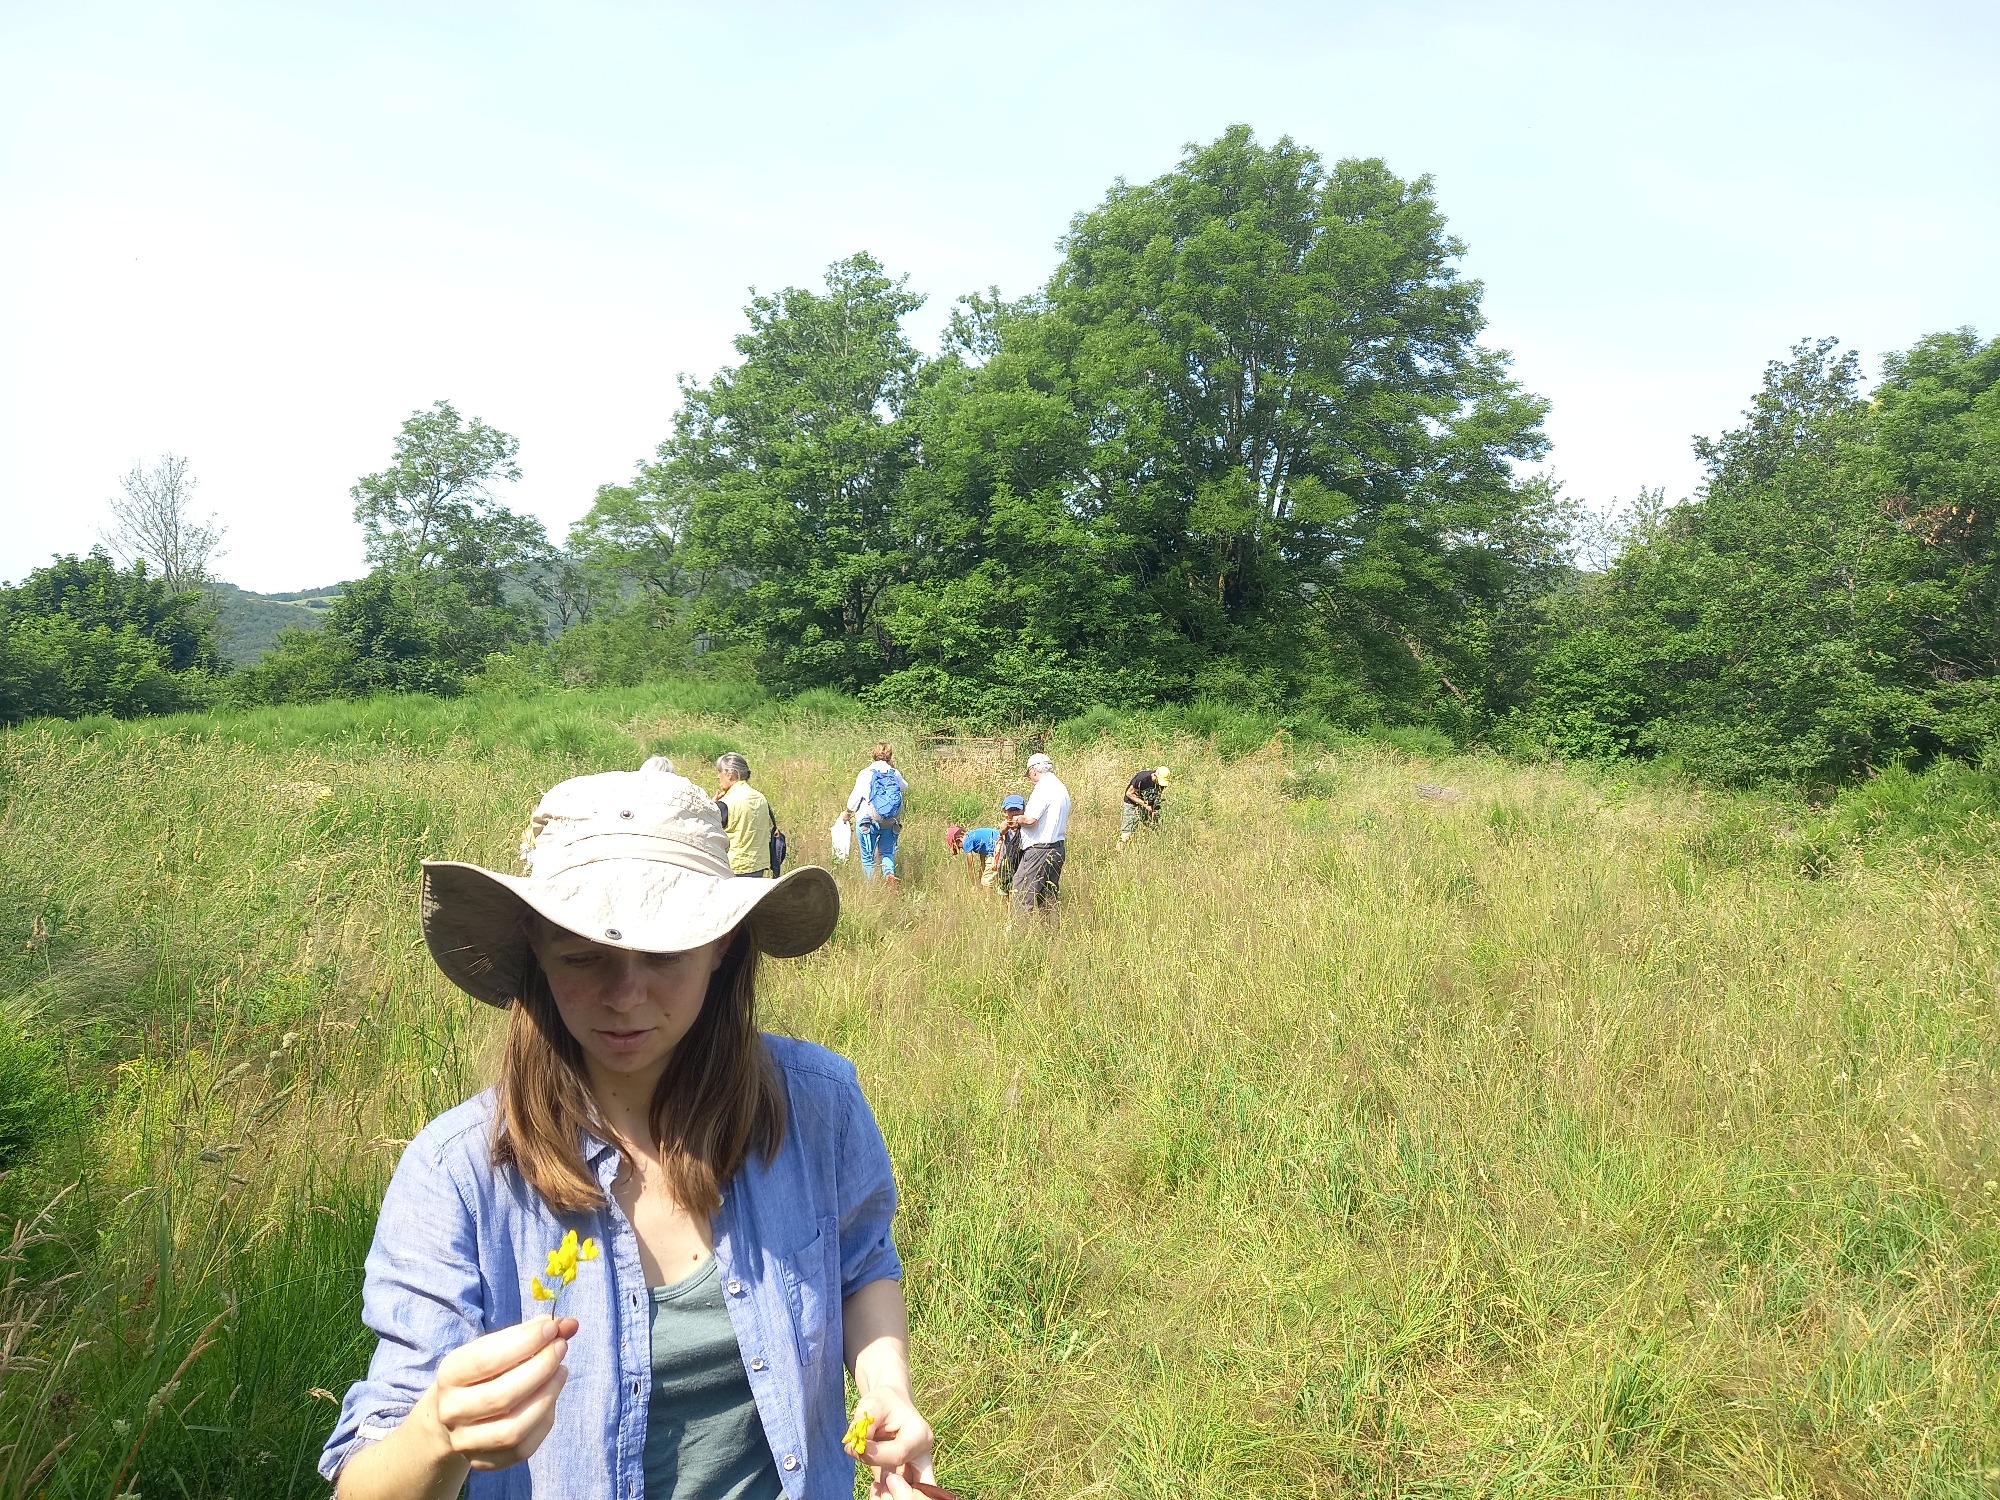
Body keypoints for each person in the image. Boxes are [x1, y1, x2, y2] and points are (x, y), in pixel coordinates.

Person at [319, 761, 939, 1500]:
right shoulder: (456, 1175)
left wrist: (886, 1388)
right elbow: (366, 1480)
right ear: (535, 949)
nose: (624, 995)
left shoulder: (816, 1104)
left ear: (723, 945)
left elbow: (862, 1268)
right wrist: (438, 1434)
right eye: (583, 956)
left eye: (665, 954)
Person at [1006, 753, 1071, 915]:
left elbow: (1030, 820)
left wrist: (1017, 819)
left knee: (1021, 892)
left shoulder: (1043, 788)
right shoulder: (1060, 787)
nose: (1030, 778)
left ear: (1034, 770)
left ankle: (1022, 929)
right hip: (1057, 848)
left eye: (1029, 774)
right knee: (1048, 896)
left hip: (1039, 850)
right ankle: (1050, 929)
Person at [843, 743, 907, 886]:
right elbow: (904, 787)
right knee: (887, 852)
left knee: (868, 857)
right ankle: (889, 874)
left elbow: (855, 797)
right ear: (890, 756)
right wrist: (893, 768)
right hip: (890, 821)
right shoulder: (894, 773)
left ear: (874, 755)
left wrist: (847, 813)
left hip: (867, 821)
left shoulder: (865, 773)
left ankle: (871, 888)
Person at [714, 752, 777, 878]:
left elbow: (707, 830)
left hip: (733, 867)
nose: (718, 776)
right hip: (758, 866)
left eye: (720, 772)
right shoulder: (760, 797)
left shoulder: (726, 803)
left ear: (729, 773)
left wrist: (712, 806)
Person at [1119, 765, 1172, 847]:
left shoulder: (1161, 784)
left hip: (1148, 805)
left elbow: (1156, 796)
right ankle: (1119, 850)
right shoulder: (1142, 778)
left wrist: (1153, 809)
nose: (1160, 784)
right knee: (1127, 833)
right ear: (1155, 775)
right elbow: (1129, 793)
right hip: (1132, 804)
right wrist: (1145, 805)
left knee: (1158, 828)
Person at [988, 794, 1026, 894]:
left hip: (1022, 863)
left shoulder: (1026, 826)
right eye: (1011, 810)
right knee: (1004, 889)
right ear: (1005, 812)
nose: (1014, 813)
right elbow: (1002, 833)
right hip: (1006, 864)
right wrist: (1004, 830)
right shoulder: (1005, 826)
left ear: (1023, 811)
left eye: (1017, 810)